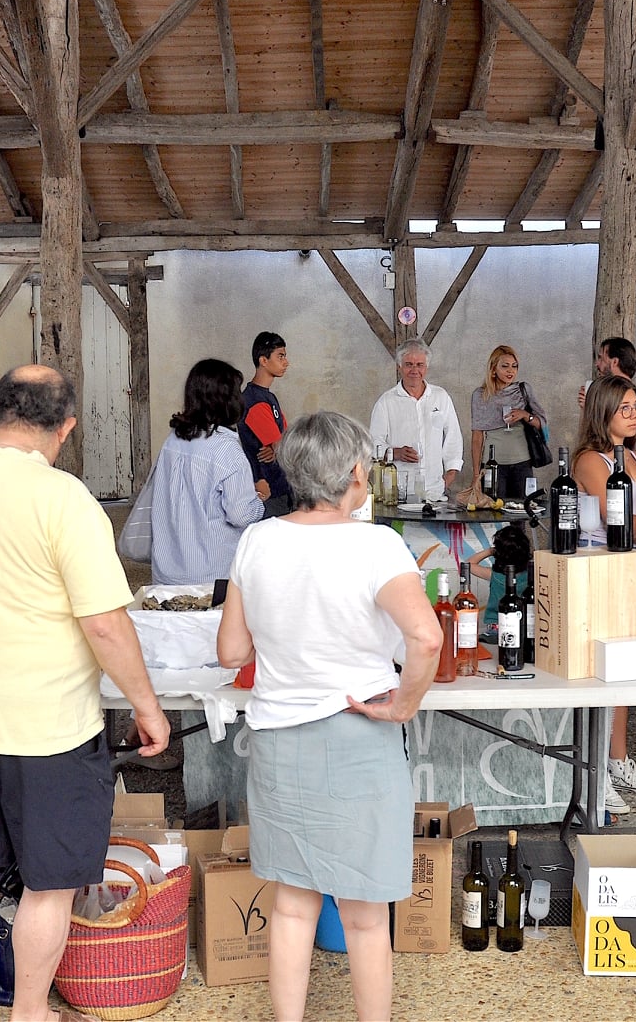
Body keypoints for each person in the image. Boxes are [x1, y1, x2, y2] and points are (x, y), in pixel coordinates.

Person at [0, 366, 169, 1022]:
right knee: (51, 880)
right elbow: (103, 622)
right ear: (66, 428)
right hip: (46, 726)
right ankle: (29, 1012)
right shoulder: (65, 499)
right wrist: (147, 707)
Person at [217, 411, 438, 1022]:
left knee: (292, 905)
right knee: (366, 915)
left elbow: (232, 651)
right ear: (354, 474)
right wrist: (404, 705)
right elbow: (425, 637)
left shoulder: (257, 540)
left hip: (278, 741)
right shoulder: (376, 544)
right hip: (358, 739)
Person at [574, 375, 636, 814]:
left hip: (632, 567)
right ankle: (594, 770)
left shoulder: (632, 456)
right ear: (603, 410)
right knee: (600, 669)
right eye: (625, 407)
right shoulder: (591, 460)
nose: (634, 414)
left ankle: (618, 760)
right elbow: (620, 528)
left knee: (627, 668)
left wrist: (634, 527)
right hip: (601, 571)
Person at [151, 358, 266, 585]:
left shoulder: (173, 439)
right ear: (226, 400)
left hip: (166, 571)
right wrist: (260, 498)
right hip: (212, 575)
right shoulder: (226, 447)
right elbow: (240, 515)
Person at [369, 338, 463, 502]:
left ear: (426, 367)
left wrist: (450, 475)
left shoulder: (440, 397)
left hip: (435, 491)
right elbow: (373, 443)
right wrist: (395, 453)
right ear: (399, 367)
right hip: (398, 492)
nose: (414, 370)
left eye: (419, 364)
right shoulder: (387, 401)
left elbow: (453, 436)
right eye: (408, 364)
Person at [469, 345, 548, 499]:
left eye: (514, 366)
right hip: (492, 466)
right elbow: (477, 437)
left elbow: (541, 424)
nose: (510, 371)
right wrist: (476, 474)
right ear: (493, 369)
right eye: (505, 366)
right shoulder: (480, 395)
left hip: (522, 464)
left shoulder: (523, 390)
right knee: (493, 516)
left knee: (521, 514)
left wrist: (525, 415)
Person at [240, 331, 294, 517]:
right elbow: (285, 448)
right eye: (281, 356)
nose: (286, 362)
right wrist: (278, 448)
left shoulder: (268, 397)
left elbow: (285, 440)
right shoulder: (254, 401)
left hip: (280, 487)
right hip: (268, 493)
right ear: (263, 360)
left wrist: (277, 448)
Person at [577, 336, 636, 409]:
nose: (597, 364)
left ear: (614, 362)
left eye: (601, 358)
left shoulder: (629, 398)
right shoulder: (615, 395)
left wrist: (590, 408)